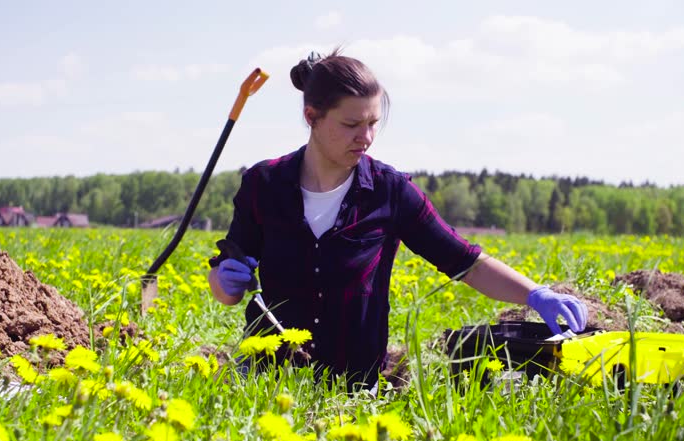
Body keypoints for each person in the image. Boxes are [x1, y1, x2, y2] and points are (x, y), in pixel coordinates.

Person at [208, 49, 587, 389]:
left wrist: (535, 294)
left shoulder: (389, 191)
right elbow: (228, 282)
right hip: (265, 386)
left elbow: (465, 262)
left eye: (373, 123)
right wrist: (225, 282)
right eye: (351, 125)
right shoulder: (264, 184)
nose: (367, 137)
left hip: (353, 390)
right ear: (312, 117)